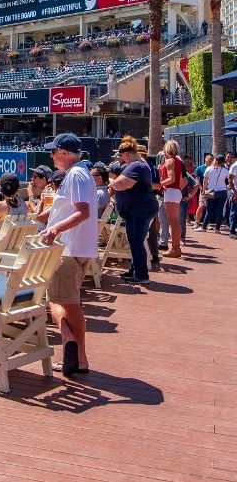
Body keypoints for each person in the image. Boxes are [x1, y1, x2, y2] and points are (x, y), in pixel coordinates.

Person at [36, 133, 98, 376]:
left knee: (68, 305)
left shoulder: (76, 174)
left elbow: (83, 211)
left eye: (53, 152)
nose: (51, 156)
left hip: (68, 249)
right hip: (75, 249)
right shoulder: (81, 174)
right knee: (65, 302)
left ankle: (79, 355)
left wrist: (54, 228)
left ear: (63, 153)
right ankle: (73, 347)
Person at [108, 136, 160, 284]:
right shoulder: (139, 165)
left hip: (138, 210)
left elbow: (122, 184)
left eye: (121, 156)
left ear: (127, 154)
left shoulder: (137, 166)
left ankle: (141, 275)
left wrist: (111, 182)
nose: (121, 159)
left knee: (136, 242)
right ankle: (136, 271)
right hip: (139, 209)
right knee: (136, 242)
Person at [159, 140, 185, 258]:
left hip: (171, 191)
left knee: (173, 222)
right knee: (175, 221)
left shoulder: (170, 161)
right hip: (176, 192)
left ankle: (174, 249)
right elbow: (180, 179)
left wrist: (159, 184)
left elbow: (171, 179)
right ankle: (176, 248)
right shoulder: (178, 161)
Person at [202, 154, 229, 232]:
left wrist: (204, 190)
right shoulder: (225, 170)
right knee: (219, 210)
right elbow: (230, 179)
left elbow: (205, 181)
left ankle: (204, 227)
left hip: (211, 192)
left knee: (209, 210)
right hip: (223, 191)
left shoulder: (209, 169)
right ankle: (217, 228)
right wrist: (229, 186)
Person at [194, 151, 213, 231]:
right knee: (201, 206)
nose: (210, 160)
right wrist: (201, 189)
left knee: (209, 207)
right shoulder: (199, 168)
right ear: (205, 159)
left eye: (212, 159)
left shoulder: (214, 169)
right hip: (203, 190)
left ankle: (207, 223)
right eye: (209, 159)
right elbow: (197, 180)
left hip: (211, 191)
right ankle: (197, 222)